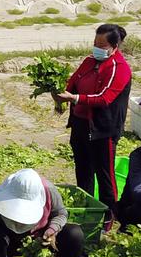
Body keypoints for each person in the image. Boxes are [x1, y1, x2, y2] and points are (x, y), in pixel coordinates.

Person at [52, 24, 133, 230]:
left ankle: (108, 216)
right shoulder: (89, 62)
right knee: (83, 171)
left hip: (103, 129)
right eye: (95, 43)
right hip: (81, 124)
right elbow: (72, 84)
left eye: (102, 45)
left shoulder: (119, 68)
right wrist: (59, 97)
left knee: (105, 175)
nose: (97, 48)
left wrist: (75, 98)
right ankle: (87, 212)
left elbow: (104, 98)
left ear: (114, 46)